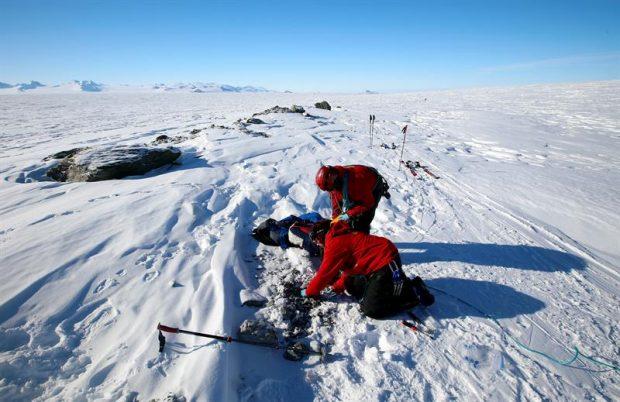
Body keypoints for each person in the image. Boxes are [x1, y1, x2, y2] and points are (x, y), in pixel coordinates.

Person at [301, 221, 434, 318]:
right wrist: (337, 287)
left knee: (372, 310)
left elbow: (324, 274)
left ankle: (412, 294)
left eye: (316, 240)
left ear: (320, 235)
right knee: (352, 286)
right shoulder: (338, 236)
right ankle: (396, 285)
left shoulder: (334, 243)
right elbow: (349, 270)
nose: (317, 244)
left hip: (386, 261)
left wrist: (310, 292)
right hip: (376, 262)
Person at [315, 165, 390, 233]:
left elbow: (368, 204)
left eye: (331, 175)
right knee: (351, 217)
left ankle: (362, 240)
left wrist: (348, 214)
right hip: (358, 189)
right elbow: (336, 203)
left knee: (363, 220)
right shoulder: (334, 184)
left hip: (373, 188)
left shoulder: (356, 181)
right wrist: (335, 221)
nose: (331, 191)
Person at [251, 212, 327, 256]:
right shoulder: (277, 233)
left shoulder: (276, 233)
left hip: (309, 231)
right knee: (315, 217)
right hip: (306, 231)